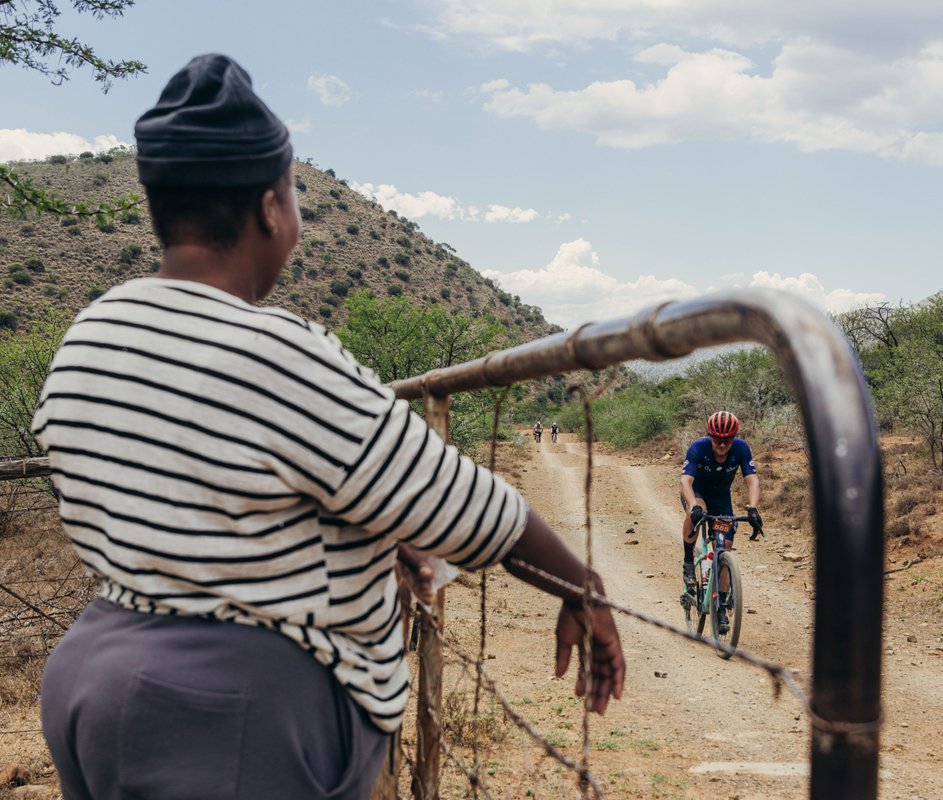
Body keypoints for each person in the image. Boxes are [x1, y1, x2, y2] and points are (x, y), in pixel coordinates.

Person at [34, 54, 623, 800]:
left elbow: (202, 496)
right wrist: (584, 587)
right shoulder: (277, 350)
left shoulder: (93, 331)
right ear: (271, 210)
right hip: (230, 717)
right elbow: (472, 511)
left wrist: (376, 533)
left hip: (91, 681)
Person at [680, 411, 763, 634]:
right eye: (717, 439)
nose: (722, 444)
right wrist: (694, 506)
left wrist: (753, 508)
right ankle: (689, 560)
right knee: (694, 512)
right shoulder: (699, 447)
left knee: (724, 548)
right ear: (710, 436)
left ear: (734, 438)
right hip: (696, 492)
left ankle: (721, 607)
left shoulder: (741, 448)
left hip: (721, 499)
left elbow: (752, 479)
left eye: (727, 440)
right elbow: (686, 480)